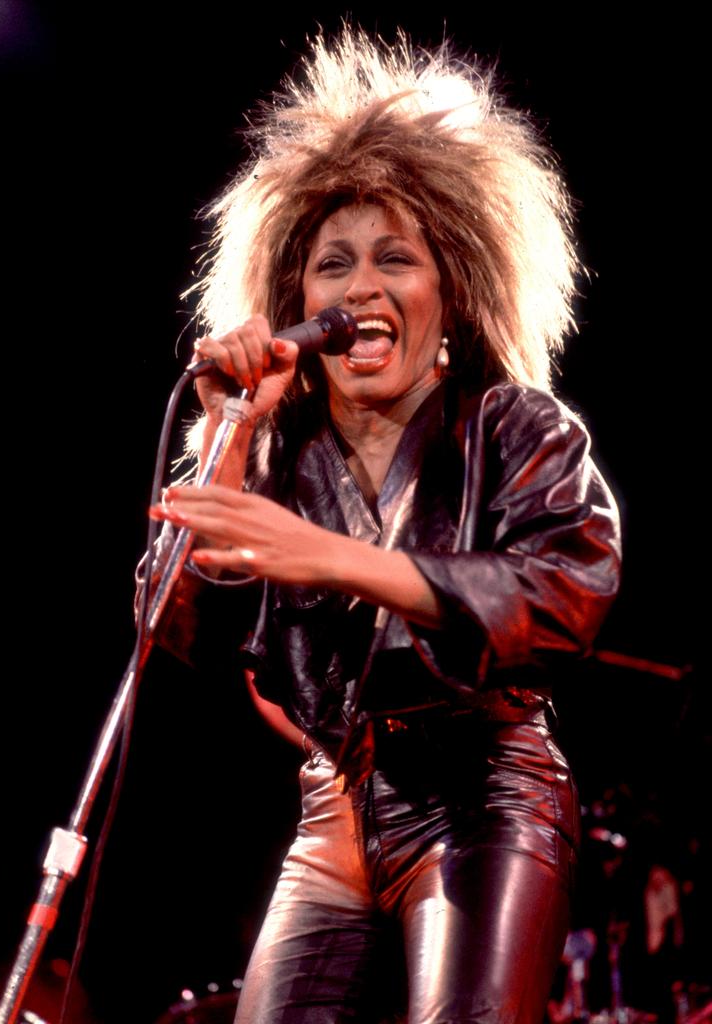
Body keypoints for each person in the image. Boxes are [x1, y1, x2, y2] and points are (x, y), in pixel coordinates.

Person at [146, 28, 621, 1024]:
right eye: (331, 266)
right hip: (334, 815)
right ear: (297, 298)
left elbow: (565, 590)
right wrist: (231, 429)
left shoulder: (516, 426)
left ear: (450, 293)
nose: (358, 287)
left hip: (486, 793)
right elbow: (168, 623)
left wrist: (337, 559)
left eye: (394, 259)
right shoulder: (278, 454)